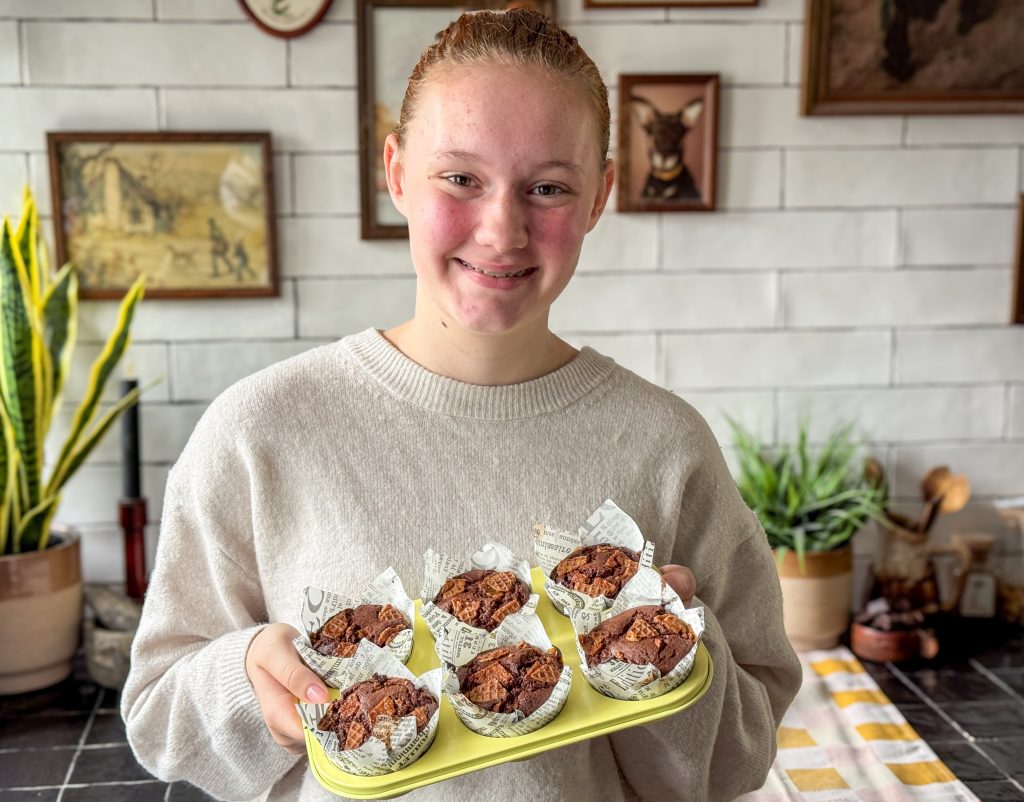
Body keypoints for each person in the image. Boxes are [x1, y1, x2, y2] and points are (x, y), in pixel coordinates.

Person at [122, 9, 801, 801]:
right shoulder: (258, 432)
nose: (500, 229)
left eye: (547, 187)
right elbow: (158, 710)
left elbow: (742, 755)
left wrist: (674, 655)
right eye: (460, 179)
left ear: (599, 197)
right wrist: (246, 681)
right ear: (397, 172)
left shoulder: (666, 445)